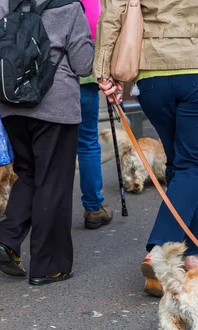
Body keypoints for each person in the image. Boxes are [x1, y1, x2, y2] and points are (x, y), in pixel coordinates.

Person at [95, 0, 198, 296]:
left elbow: (114, 9)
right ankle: (160, 249)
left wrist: (105, 69)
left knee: (180, 166)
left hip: (153, 69)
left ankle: (192, 255)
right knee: (191, 167)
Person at [0, 0, 94, 284]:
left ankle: (7, 239)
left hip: (11, 105)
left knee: (28, 173)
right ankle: (48, 265)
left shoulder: (6, 2)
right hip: (54, 105)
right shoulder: (69, 7)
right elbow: (83, 64)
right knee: (53, 181)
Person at [79, 0, 113, 229]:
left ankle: (46, 209)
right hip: (84, 78)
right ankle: (93, 208)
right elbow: (98, 30)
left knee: (50, 146)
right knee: (88, 142)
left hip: (48, 82)